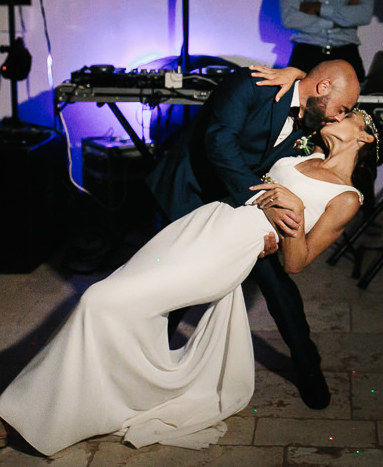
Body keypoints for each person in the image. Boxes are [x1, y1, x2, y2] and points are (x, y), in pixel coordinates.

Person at [0, 108, 383, 460]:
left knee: (99, 299)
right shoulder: (304, 154)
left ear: (365, 135)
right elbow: (254, 179)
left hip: (225, 253)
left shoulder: (346, 199)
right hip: (204, 223)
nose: (337, 114)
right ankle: (106, 392)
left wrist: (290, 213)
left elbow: (297, 263)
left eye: (349, 115)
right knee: (118, 303)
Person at [146, 60, 358, 411]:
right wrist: (262, 203)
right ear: (323, 89)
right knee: (173, 286)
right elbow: (219, 144)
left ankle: (307, 366)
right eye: (343, 108)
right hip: (190, 191)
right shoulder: (251, 84)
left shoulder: (314, 121)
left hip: (240, 205)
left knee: (276, 283)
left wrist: (271, 226)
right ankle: (150, 368)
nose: (339, 117)